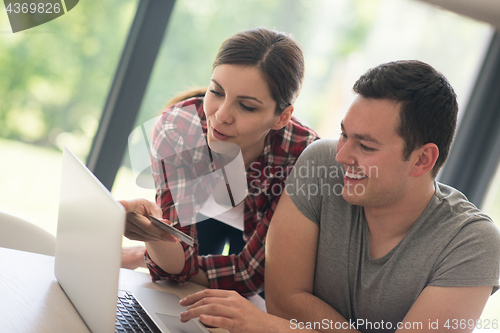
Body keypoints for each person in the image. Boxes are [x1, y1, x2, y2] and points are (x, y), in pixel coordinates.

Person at [178, 60, 500, 333]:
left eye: (366, 146)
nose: (342, 156)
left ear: (422, 160)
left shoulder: (472, 243)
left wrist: (274, 328)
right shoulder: (320, 163)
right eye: (344, 134)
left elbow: (278, 319)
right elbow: (283, 300)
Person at [120, 27, 319, 296]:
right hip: (206, 213)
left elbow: (251, 277)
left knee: (264, 298)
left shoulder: (302, 158)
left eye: (247, 106)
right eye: (216, 91)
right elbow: (176, 261)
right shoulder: (179, 129)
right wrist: (153, 236)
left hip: (255, 240)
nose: (221, 116)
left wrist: (167, 260)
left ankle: (138, 255)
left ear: (281, 118)